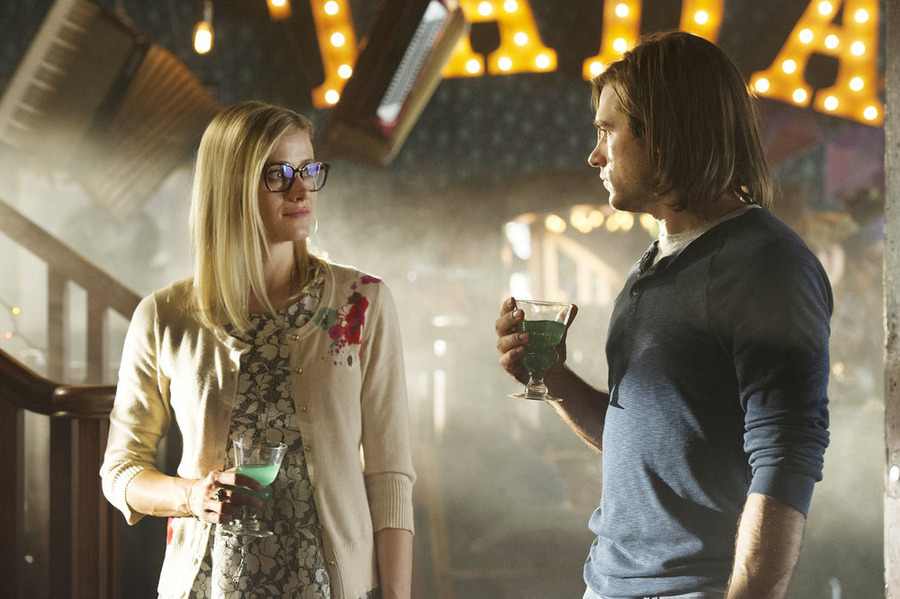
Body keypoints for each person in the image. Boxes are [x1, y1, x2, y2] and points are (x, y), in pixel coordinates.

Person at [495, 31, 831, 599]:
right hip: (606, 582)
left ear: (666, 129)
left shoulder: (766, 264)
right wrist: (553, 379)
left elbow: (786, 459)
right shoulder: (652, 264)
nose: (594, 155)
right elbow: (643, 443)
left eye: (607, 131)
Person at [101, 101, 415, 599]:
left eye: (308, 170)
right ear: (230, 186)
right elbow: (121, 472)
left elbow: (390, 475)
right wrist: (192, 496)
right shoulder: (165, 316)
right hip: (206, 586)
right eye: (278, 174)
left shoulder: (361, 303)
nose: (301, 190)